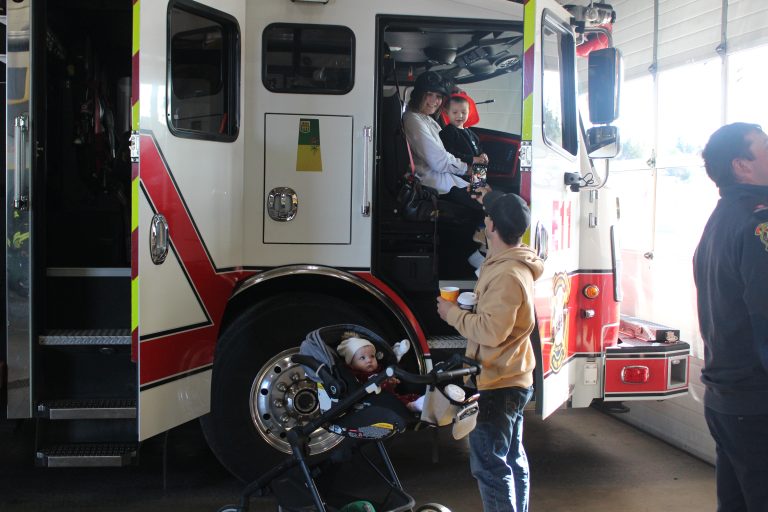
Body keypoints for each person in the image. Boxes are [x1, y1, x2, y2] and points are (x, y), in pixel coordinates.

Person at [436, 190, 544, 512]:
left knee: (491, 466)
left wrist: (452, 314)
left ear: (491, 225)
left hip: (499, 381)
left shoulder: (508, 274)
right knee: (511, 458)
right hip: (513, 376)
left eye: (487, 216)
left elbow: (491, 332)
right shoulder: (506, 263)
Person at [693, 122, 768, 511]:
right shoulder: (759, 223)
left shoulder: (721, 218)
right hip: (756, 400)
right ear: (742, 165)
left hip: (726, 398)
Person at [402, 71, 485, 223]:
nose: (434, 101)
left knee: (487, 194)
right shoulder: (412, 120)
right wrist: (468, 168)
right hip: (435, 184)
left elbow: (447, 151)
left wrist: (476, 166)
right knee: (486, 205)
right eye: (429, 94)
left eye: (439, 96)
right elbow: (440, 161)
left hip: (449, 178)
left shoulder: (427, 119)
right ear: (419, 94)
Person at [336, 332, 424, 412]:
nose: (369, 360)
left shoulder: (379, 369)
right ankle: (413, 406)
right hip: (376, 402)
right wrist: (385, 382)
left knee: (411, 396)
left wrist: (392, 382)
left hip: (390, 396)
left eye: (372, 356)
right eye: (362, 358)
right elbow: (371, 385)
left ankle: (422, 401)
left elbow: (387, 386)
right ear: (351, 364)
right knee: (400, 402)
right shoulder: (357, 376)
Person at [440, 94, 489, 169]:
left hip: (478, 170)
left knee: (480, 181)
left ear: (469, 112)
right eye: (455, 112)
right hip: (461, 171)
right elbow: (449, 153)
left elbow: (479, 148)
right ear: (447, 112)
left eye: (463, 112)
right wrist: (471, 159)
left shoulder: (471, 133)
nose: (460, 115)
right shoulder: (447, 132)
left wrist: (482, 154)